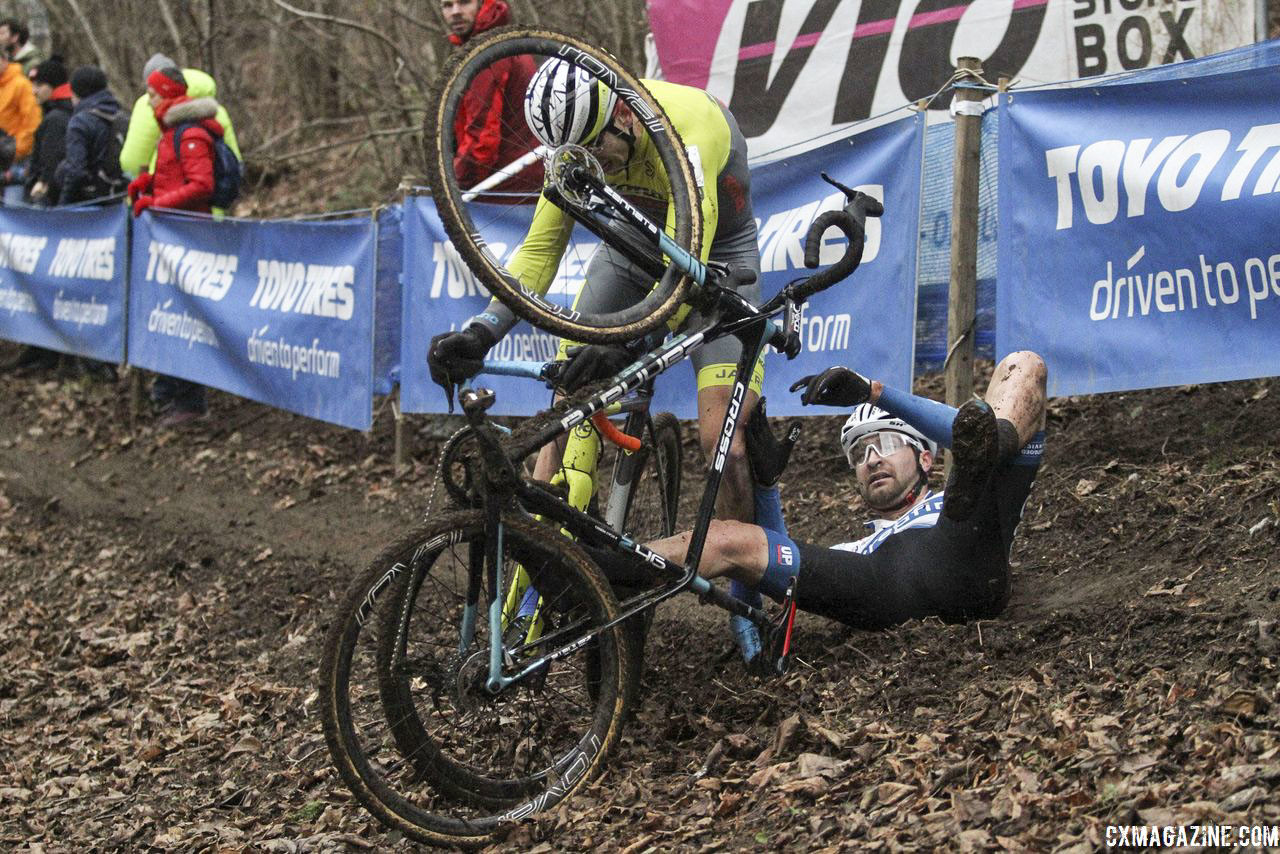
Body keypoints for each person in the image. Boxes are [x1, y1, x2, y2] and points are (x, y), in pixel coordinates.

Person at [429, 59, 763, 525]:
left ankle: (745, 575)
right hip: (629, 250)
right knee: (566, 406)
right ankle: (546, 561)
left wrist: (629, 344)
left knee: (724, 444)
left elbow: (684, 267)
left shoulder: (687, 130)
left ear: (624, 116)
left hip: (715, 260)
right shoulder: (573, 149)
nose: (589, 164)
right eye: (572, 154)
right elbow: (541, 250)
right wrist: (483, 331)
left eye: (595, 148)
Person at [623, 351, 1048, 668]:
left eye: (884, 444)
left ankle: (998, 440)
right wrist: (768, 486)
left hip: (964, 554)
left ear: (926, 458)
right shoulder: (857, 546)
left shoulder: (958, 499)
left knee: (1022, 363)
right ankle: (600, 569)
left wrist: (873, 393)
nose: (872, 460)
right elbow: (782, 571)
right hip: (881, 586)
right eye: (860, 454)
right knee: (725, 538)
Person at [127, 66, 229, 427]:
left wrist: (156, 203)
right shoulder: (170, 129)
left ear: (168, 93)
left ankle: (191, 401)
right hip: (174, 236)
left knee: (187, 317)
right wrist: (149, 182)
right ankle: (170, 392)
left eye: (152, 93)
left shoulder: (189, 132)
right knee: (170, 315)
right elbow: (176, 176)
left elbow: (200, 184)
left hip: (190, 236)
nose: (148, 99)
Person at [440, 0, 542, 195]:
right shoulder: (503, 39)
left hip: (510, 188)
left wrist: (452, 188)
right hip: (525, 181)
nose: (455, 12)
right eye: (447, 5)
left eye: (464, 2)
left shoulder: (488, 52)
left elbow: (481, 143)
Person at [119, 54, 240, 197]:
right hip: (215, 199)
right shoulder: (215, 108)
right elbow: (234, 158)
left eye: (151, 94)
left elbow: (132, 161)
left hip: (175, 204)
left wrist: (150, 195)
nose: (149, 102)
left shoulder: (152, 108)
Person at [52, 66, 126, 206]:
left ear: (75, 92)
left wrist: (63, 206)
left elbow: (76, 171)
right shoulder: (122, 116)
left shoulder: (80, 122)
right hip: (117, 200)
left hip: (87, 203)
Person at [25, 56, 72, 206]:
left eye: (39, 85)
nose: (34, 91)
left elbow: (51, 158)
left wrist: (42, 182)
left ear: (53, 86)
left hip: (47, 196)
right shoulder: (58, 111)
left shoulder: (55, 118)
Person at [0, 41, 40, 200]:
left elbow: (32, 123)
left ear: (4, 59)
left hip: (16, 158)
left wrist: (16, 152)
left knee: (14, 208)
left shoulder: (20, 84)